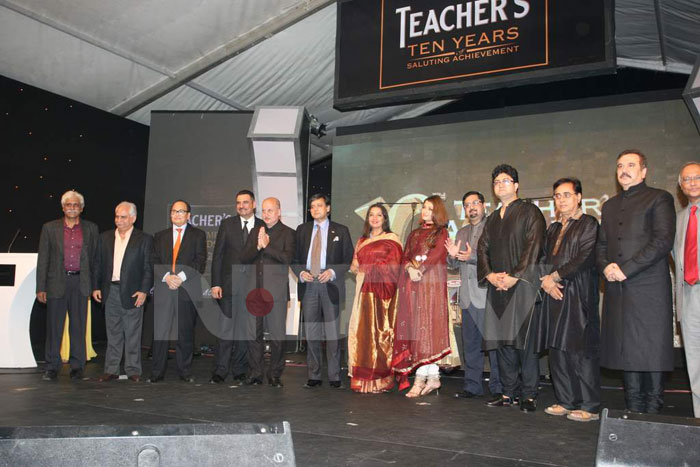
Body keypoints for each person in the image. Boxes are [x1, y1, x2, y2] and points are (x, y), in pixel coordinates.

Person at [596, 149, 675, 414]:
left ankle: (653, 412)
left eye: (630, 165)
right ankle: (633, 409)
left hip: (649, 288)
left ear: (644, 171)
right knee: (625, 350)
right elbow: (602, 245)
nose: (624, 170)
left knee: (651, 349)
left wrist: (626, 269)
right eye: (619, 166)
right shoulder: (609, 206)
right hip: (618, 289)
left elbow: (662, 241)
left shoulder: (659, 198)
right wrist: (606, 266)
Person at [477, 164, 546, 412]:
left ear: (516, 185)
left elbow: (534, 246)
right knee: (503, 343)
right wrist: (491, 275)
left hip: (523, 287)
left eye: (505, 181)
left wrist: (516, 276)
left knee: (524, 345)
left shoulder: (530, 212)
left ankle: (529, 394)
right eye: (496, 182)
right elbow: (482, 249)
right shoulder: (493, 218)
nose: (500, 185)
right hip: (497, 287)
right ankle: (508, 393)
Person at [536, 178, 601, 422]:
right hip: (553, 293)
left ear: (579, 197)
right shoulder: (552, 228)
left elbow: (584, 257)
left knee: (579, 349)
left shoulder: (589, 224)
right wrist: (546, 281)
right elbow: (542, 256)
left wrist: (554, 277)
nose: (561, 200)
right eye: (557, 196)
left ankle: (589, 405)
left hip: (578, 293)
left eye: (566, 195)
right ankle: (566, 400)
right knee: (557, 349)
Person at [37, 190, 98, 381]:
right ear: (63, 207)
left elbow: (96, 260)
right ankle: (52, 366)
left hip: (81, 282)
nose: (72, 208)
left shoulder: (91, 228)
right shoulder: (49, 228)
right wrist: (41, 287)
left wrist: (94, 286)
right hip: (56, 282)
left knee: (78, 326)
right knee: (54, 327)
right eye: (69, 205)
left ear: (81, 208)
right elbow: (43, 259)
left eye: (76, 205)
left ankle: (77, 366)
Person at [392, 195, 450, 397]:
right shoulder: (415, 233)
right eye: (424, 207)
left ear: (438, 212)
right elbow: (405, 256)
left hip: (431, 288)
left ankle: (422, 379)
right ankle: (432, 377)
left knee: (428, 330)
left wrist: (420, 271)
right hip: (413, 287)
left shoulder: (441, 232)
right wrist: (409, 268)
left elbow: (435, 257)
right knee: (417, 330)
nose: (425, 211)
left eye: (430, 208)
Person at [446, 191, 502, 400]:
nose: (471, 208)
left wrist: (471, 257)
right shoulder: (461, 233)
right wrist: (451, 257)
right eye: (467, 204)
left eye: (475, 203)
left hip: (488, 295)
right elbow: (453, 265)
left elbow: (495, 260)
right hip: (467, 297)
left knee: (494, 345)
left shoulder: (493, 229)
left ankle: (498, 387)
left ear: (483, 205)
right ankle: (472, 386)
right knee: (470, 344)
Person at [294, 194, 354, 389]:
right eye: (312, 207)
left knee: (332, 333)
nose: (315, 209)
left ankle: (335, 376)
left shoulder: (341, 231)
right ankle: (314, 375)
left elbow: (348, 259)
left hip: (331, 285)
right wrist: (301, 272)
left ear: (328, 208)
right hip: (309, 284)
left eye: (319, 206)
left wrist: (333, 272)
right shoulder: (302, 230)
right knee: (311, 333)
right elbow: (294, 259)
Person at [92, 202, 153, 383]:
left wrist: (144, 291)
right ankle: (111, 369)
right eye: (117, 216)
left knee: (133, 332)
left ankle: (133, 370)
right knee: (113, 332)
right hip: (110, 290)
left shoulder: (144, 239)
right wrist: (96, 287)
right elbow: (97, 264)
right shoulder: (104, 238)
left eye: (123, 217)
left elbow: (148, 268)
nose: (119, 220)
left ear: (133, 218)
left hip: (133, 292)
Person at [239, 198, 295, 387]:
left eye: (271, 210)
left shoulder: (288, 233)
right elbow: (244, 258)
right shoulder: (256, 231)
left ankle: (275, 374)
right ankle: (256, 373)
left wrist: (267, 246)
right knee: (253, 335)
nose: (266, 214)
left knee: (277, 336)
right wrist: (257, 246)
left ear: (279, 212)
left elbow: (287, 258)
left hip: (276, 294)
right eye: (264, 210)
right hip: (254, 292)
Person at [210, 190, 264, 384]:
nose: (242, 206)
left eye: (245, 202)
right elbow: (218, 256)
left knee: (245, 332)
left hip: (253, 289)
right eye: (238, 203)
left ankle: (240, 370)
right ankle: (220, 370)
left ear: (254, 204)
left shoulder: (262, 226)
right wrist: (215, 283)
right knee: (225, 330)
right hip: (229, 286)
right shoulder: (227, 224)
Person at [348, 203, 403, 393]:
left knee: (380, 335)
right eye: (371, 215)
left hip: (382, 294)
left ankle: (380, 380)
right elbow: (354, 265)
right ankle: (363, 380)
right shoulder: (362, 240)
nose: (374, 218)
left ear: (385, 218)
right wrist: (357, 268)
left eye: (379, 215)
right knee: (363, 336)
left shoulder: (392, 239)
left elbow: (396, 266)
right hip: (364, 293)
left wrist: (375, 268)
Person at [150, 200, 207, 383]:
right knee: (161, 333)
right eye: (174, 211)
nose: (177, 214)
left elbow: (200, 262)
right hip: (164, 288)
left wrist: (180, 278)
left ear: (188, 215)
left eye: (181, 211)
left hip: (186, 289)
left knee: (185, 332)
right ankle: (157, 372)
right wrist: (167, 276)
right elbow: (153, 260)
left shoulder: (198, 235)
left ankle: (185, 372)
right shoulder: (160, 236)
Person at [674, 161, 700, 417]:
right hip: (689, 295)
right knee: (694, 362)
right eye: (686, 179)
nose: (692, 182)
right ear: (680, 187)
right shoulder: (680, 218)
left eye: (697, 177)